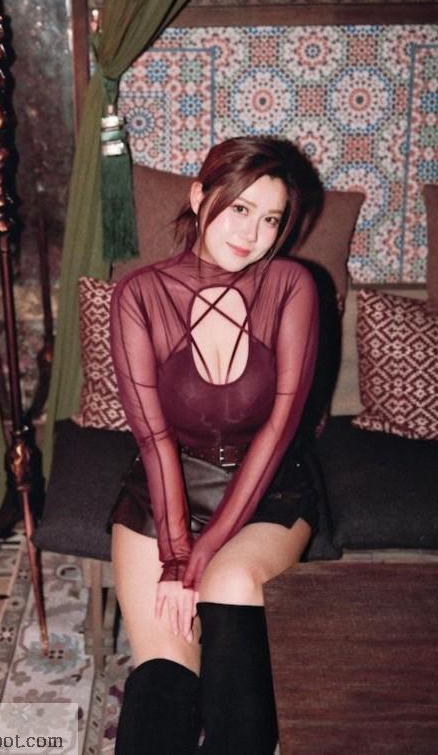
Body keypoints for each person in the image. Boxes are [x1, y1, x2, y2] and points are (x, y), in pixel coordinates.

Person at [109, 136, 324, 755]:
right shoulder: (140, 294)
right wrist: (177, 557)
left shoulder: (290, 285)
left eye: (271, 219)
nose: (252, 233)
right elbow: (153, 438)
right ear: (201, 196)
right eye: (240, 208)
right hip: (165, 493)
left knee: (230, 586)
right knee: (165, 676)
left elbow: (279, 430)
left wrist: (198, 562)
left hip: (270, 490)